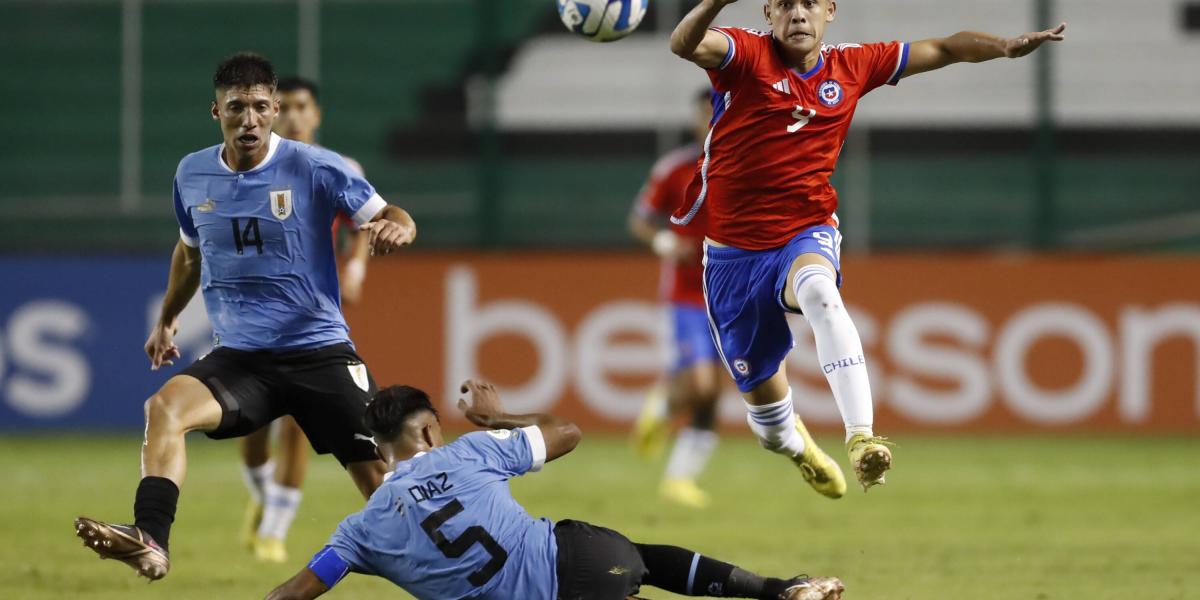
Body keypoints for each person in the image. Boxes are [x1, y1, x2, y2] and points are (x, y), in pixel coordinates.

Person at [668, 0, 1066, 495]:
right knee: (769, 427)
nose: (798, 15)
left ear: (829, 11)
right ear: (768, 13)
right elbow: (683, 43)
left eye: (809, 4)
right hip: (733, 257)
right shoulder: (744, 55)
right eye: (786, 5)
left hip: (804, 230)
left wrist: (1003, 47)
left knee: (820, 293)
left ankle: (862, 439)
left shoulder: (852, 65)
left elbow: (943, 48)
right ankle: (799, 447)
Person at [73, 52, 416, 581]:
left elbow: (392, 214)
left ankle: (451, 572)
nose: (249, 120)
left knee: (382, 485)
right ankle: (151, 538)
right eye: (237, 108)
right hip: (243, 360)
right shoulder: (192, 172)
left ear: (275, 109)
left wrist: (399, 229)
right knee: (163, 408)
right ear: (216, 111)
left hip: (319, 353)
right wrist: (166, 319)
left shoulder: (315, 166)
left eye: (260, 107)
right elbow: (190, 253)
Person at [264, 380, 845, 600]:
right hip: (586, 569)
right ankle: (782, 589)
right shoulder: (469, 451)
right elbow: (566, 433)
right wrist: (496, 419)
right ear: (428, 428)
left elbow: (293, 593)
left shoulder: (360, 531)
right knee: (640, 559)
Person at [239, 75, 375, 564]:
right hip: (249, 312)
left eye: (303, 107)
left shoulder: (338, 167)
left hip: (312, 314)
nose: (295, 115)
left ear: (316, 114)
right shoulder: (246, 164)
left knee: (299, 418)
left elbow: (363, 223)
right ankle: (261, 495)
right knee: (252, 426)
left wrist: (355, 267)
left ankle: (274, 530)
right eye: (286, 107)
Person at [629, 89, 728, 509]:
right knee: (702, 384)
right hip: (688, 293)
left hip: (736, 294)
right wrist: (666, 244)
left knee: (715, 391)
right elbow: (640, 221)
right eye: (703, 114)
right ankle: (665, 404)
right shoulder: (674, 169)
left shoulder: (753, 162)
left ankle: (680, 477)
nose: (709, 121)